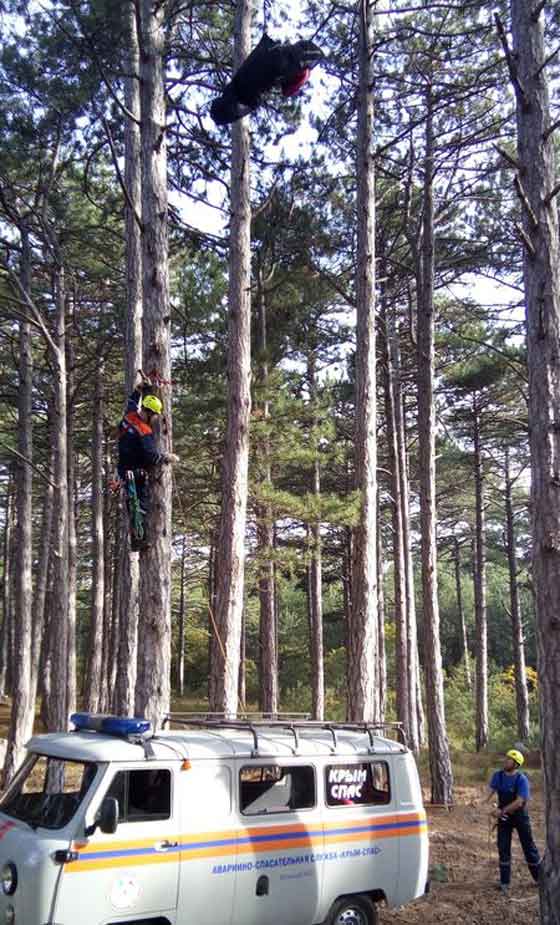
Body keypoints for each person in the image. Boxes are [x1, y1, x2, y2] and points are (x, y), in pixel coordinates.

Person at [117, 377, 178, 551]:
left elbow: (131, 401)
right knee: (139, 504)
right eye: (154, 416)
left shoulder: (129, 416)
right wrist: (167, 457)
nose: (154, 420)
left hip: (123, 468)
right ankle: (139, 540)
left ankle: (138, 538)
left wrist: (139, 389)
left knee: (133, 501)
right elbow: (152, 456)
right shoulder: (144, 431)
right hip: (134, 471)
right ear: (150, 413)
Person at [211, 33, 324, 125]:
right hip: (269, 55)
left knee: (234, 107)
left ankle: (225, 112)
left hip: (274, 63)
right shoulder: (233, 89)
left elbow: (288, 90)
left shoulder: (235, 92)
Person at [486, 748, 541, 895]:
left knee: (529, 848)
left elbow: (519, 802)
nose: (505, 761)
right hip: (504, 819)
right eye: (506, 758)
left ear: (516, 764)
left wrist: (501, 811)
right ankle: (504, 882)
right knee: (503, 848)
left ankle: (540, 879)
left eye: (509, 759)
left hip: (520, 817)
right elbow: (489, 793)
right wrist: (484, 804)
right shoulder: (498, 776)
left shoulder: (521, 779)